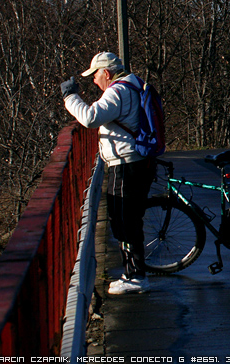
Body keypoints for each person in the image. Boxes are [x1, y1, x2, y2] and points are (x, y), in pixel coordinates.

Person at [61, 52, 156, 295]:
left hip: (125, 164)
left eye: (95, 75)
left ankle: (136, 277)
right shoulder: (134, 84)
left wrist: (70, 96)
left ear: (106, 72)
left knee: (124, 221)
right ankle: (134, 273)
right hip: (136, 161)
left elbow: (90, 118)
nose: (94, 80)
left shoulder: (118, 91)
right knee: (129, 218)